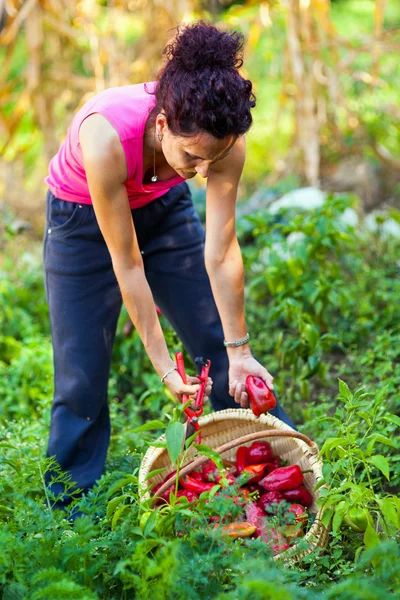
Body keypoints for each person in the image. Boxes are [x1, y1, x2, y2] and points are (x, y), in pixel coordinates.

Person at [43, 20, 295, 511]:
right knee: (81, 376)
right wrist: (163, 368)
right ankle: (70, 512)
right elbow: (127, 263)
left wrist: (239, 351)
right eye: (193, 157)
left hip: (161, 208)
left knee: (214, 343)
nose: (202, 173)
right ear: (162, 125)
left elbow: (222, 250)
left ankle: (276, 466)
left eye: (213, 160)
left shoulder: (222, 142)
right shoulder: (105, 137)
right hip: (81, 222)